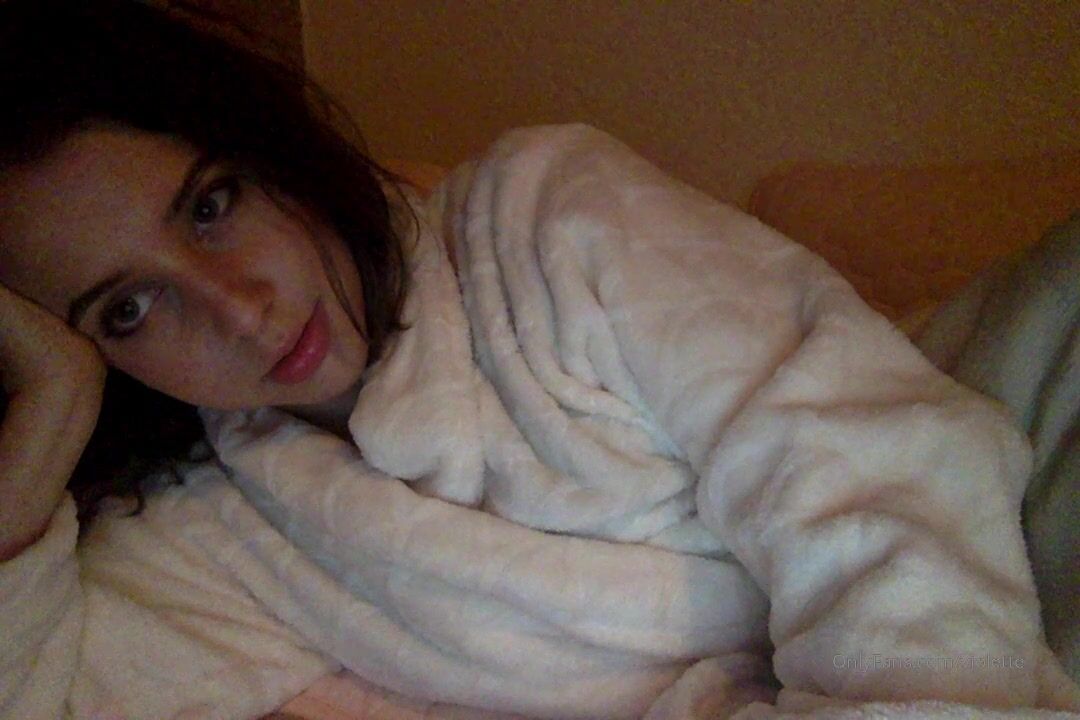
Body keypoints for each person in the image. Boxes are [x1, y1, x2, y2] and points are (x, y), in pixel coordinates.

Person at [0, 2, 1076, 719]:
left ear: (262, 150)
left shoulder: (542, 211)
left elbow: (861, 465)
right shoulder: (218, 526)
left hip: (969, 519)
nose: (237, 309)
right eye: (128, 309)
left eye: (211, 205)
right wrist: (42, 410)